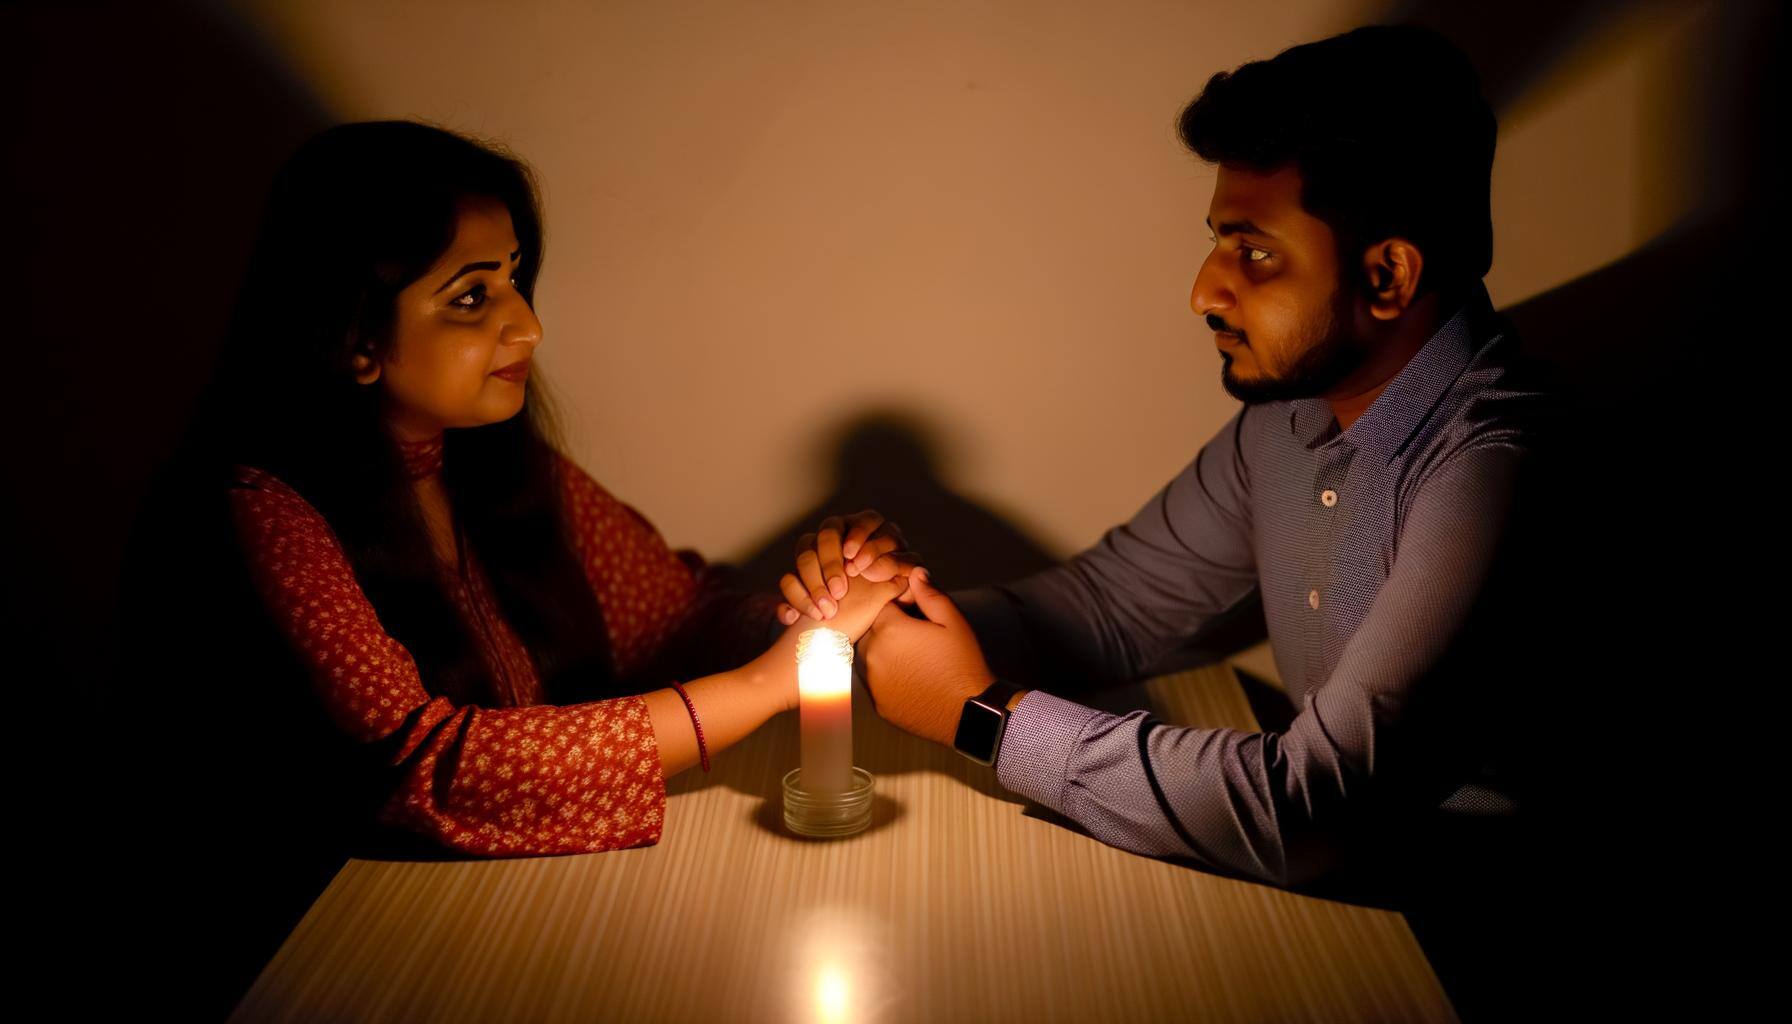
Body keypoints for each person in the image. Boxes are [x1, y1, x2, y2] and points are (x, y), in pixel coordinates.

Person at [773, 25, 1554, 1017]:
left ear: (1387, 277)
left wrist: (978, 714)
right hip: (1329, 912)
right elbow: (1107, 606)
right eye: (1213, 243)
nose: (1203, 292)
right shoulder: (1290, 419)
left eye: (1253, 255)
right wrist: (896, 611)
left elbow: (1316, 808)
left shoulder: (1495, 470)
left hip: (1467, 952)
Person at [117, 119, 900, 1016]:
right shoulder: (265, 508)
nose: (526, 324)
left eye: (516, 279)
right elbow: (427, 766)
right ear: (352, 337)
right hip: (339, 962)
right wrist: (775, 680)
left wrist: (824, 598)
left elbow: (675, 614)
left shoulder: (490, 460)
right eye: (470, 297)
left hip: (520, 916)